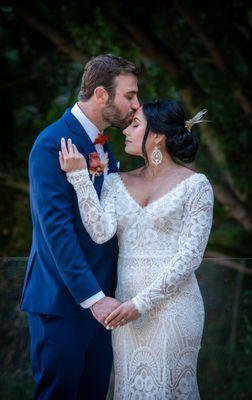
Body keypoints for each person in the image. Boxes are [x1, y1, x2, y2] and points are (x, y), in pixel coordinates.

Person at [59, 99, 214, 399]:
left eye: (135, 125)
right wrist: (79, 178)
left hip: (174, 307)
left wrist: (140, 304)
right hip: (125, 308)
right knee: (131, 388)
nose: (125, 132)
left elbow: (190, 257)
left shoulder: (197, 185)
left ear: (157, 135)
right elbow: (101, 232)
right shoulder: (116, 181)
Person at [20, 54, 140, 399]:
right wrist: (93, 298)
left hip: (105, 305)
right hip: (62, 304)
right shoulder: (52, 143)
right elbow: (55, 231)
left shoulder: (104, 146)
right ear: (101, 94)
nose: (136, 104)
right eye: (129, 95)